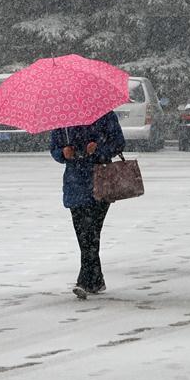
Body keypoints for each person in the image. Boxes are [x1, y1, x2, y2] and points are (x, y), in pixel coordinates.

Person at [50, 110, 126, 299]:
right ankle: (95, 279)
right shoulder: (62, 118)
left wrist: (98, 148)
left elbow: (119, 143)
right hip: (75, 183)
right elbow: (54, 148)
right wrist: (63, 153)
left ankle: (85, 280)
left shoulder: (105, 115)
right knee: (84, 234)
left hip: (100, 181)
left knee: (91, 232)